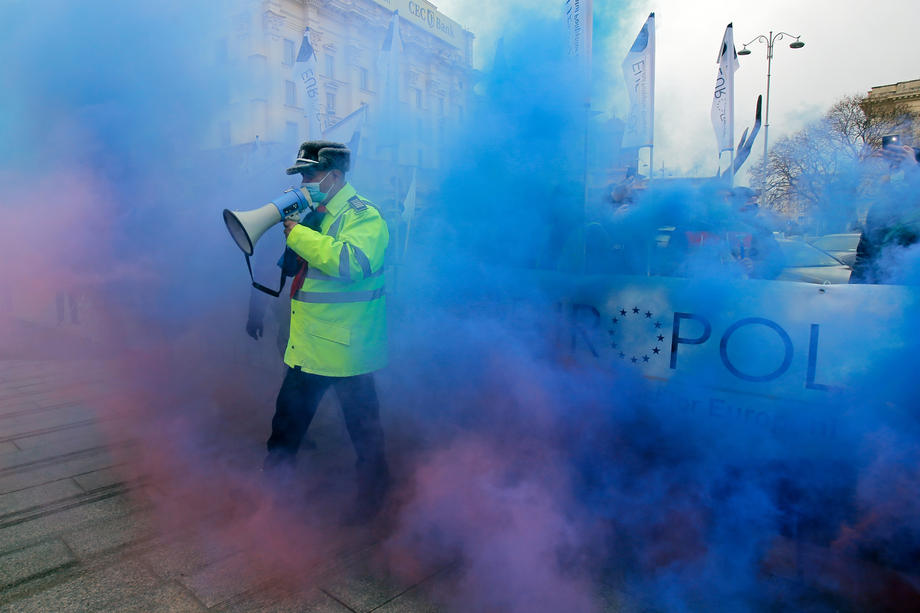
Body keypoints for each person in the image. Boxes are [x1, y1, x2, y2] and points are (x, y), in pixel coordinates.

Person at [263, 141, 391, 521]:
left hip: (347, 347)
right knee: (287, 423)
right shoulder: (315, 213)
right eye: (302, 175)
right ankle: (275, 494)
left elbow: (354, 262)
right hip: (311, 345)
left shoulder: (363, 215)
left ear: (335, 175)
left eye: (311, 174)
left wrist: (298, 234)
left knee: (363, 428)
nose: (305, 181)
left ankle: (375, 497)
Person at [851, 144, 920, 284]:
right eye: (894, 166)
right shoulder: (879, 210)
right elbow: (864, 259)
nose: (899, 171)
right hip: (885, 295)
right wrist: (855, 293)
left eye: (903, 166)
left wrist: (913, 169)